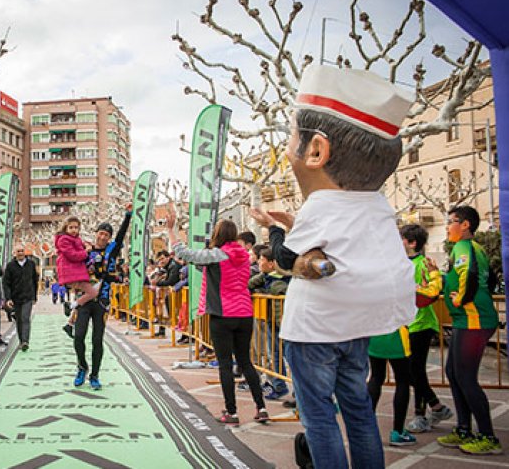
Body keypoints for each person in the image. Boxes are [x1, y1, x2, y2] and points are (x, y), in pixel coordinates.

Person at [249, 65, 416, 468]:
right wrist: (293, 226)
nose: (288, 147)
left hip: (314, 332)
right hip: (357, 329)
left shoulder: (323, 204)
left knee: (320, 417)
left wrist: (274, 229)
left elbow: (288, 259)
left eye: (291, 136)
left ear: (317, 151)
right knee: (359, 410)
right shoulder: (376, 205)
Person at [167, 207, 269, 425]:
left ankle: (231, 412)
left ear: (218, 235)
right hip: (244, 313)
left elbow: (184, 253)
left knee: (224, 364)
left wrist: (171, 230)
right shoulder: (244, 256)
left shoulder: (217, 255)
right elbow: (209, 269)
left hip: (222, 314)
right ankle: (261, 408)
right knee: (246, 362)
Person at [435, 206, 503, 455]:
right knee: (452, 372)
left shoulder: (464, 247)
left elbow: (471, 276)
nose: (447, 227)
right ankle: (463, 428)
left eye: (451, 222)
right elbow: (490, 279)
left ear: (465, 225)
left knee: (464, 377)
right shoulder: (474, 249)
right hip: (467, 320)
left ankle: (488, 438)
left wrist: (459, 299)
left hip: (475, 320)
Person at [72, 205, 133, 390]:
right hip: (84, 299)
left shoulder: (112, 250)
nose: (103, 237)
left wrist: (128, 215)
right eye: (101, 233)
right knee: (79, 337)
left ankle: (95, 375)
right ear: (96, 233)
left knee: (97, 339)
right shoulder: (85, 252)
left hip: (103, 300)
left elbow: (121, 235)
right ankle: (82, 367)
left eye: (107, 235)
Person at [401, 224, 454, 434]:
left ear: (412, 243)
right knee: (413, 371)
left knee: (415, 371)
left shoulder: (423, 264)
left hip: (421, 324)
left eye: (402, 238)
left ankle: (423, 414)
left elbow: (430, 291)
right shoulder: (402, 263)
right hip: (408, 324)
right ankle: (435, 408)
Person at [247, 246, 291, 401]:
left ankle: (297, 392)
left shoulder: (281, 282)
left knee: (288, 355)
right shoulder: (267, 276)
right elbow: (250, 284)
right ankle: (279, 386)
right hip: (272, 321)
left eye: (261, 259)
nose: (259, 262)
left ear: (272, 263)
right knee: (276, 354)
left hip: (284, 324)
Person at [55, 217, 99, 320]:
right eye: (71, 227)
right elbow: (73, 255)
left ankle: (71, 319)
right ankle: (71, 306)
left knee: (86, 293)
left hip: (76, 272)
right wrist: (86, 252)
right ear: (65, 228)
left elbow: (80, 247)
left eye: (76, 227)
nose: (74, 230)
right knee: (93, 293)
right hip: (72, 273)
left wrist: (88, 246)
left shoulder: (76, 239)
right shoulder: (64, 240)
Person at [3, 245, 38, 352]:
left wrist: (35, 296)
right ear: (15, 253)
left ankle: (25, 341)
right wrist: (8, 298)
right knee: (19, 320)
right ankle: (21, 340)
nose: (20, 253)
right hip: (15, 297)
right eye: (18, 251)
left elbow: (34, 280)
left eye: (22, 251)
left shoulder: (31, 264)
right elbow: (6, 283)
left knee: (25, 318)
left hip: (28, 296)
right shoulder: (10, 266)